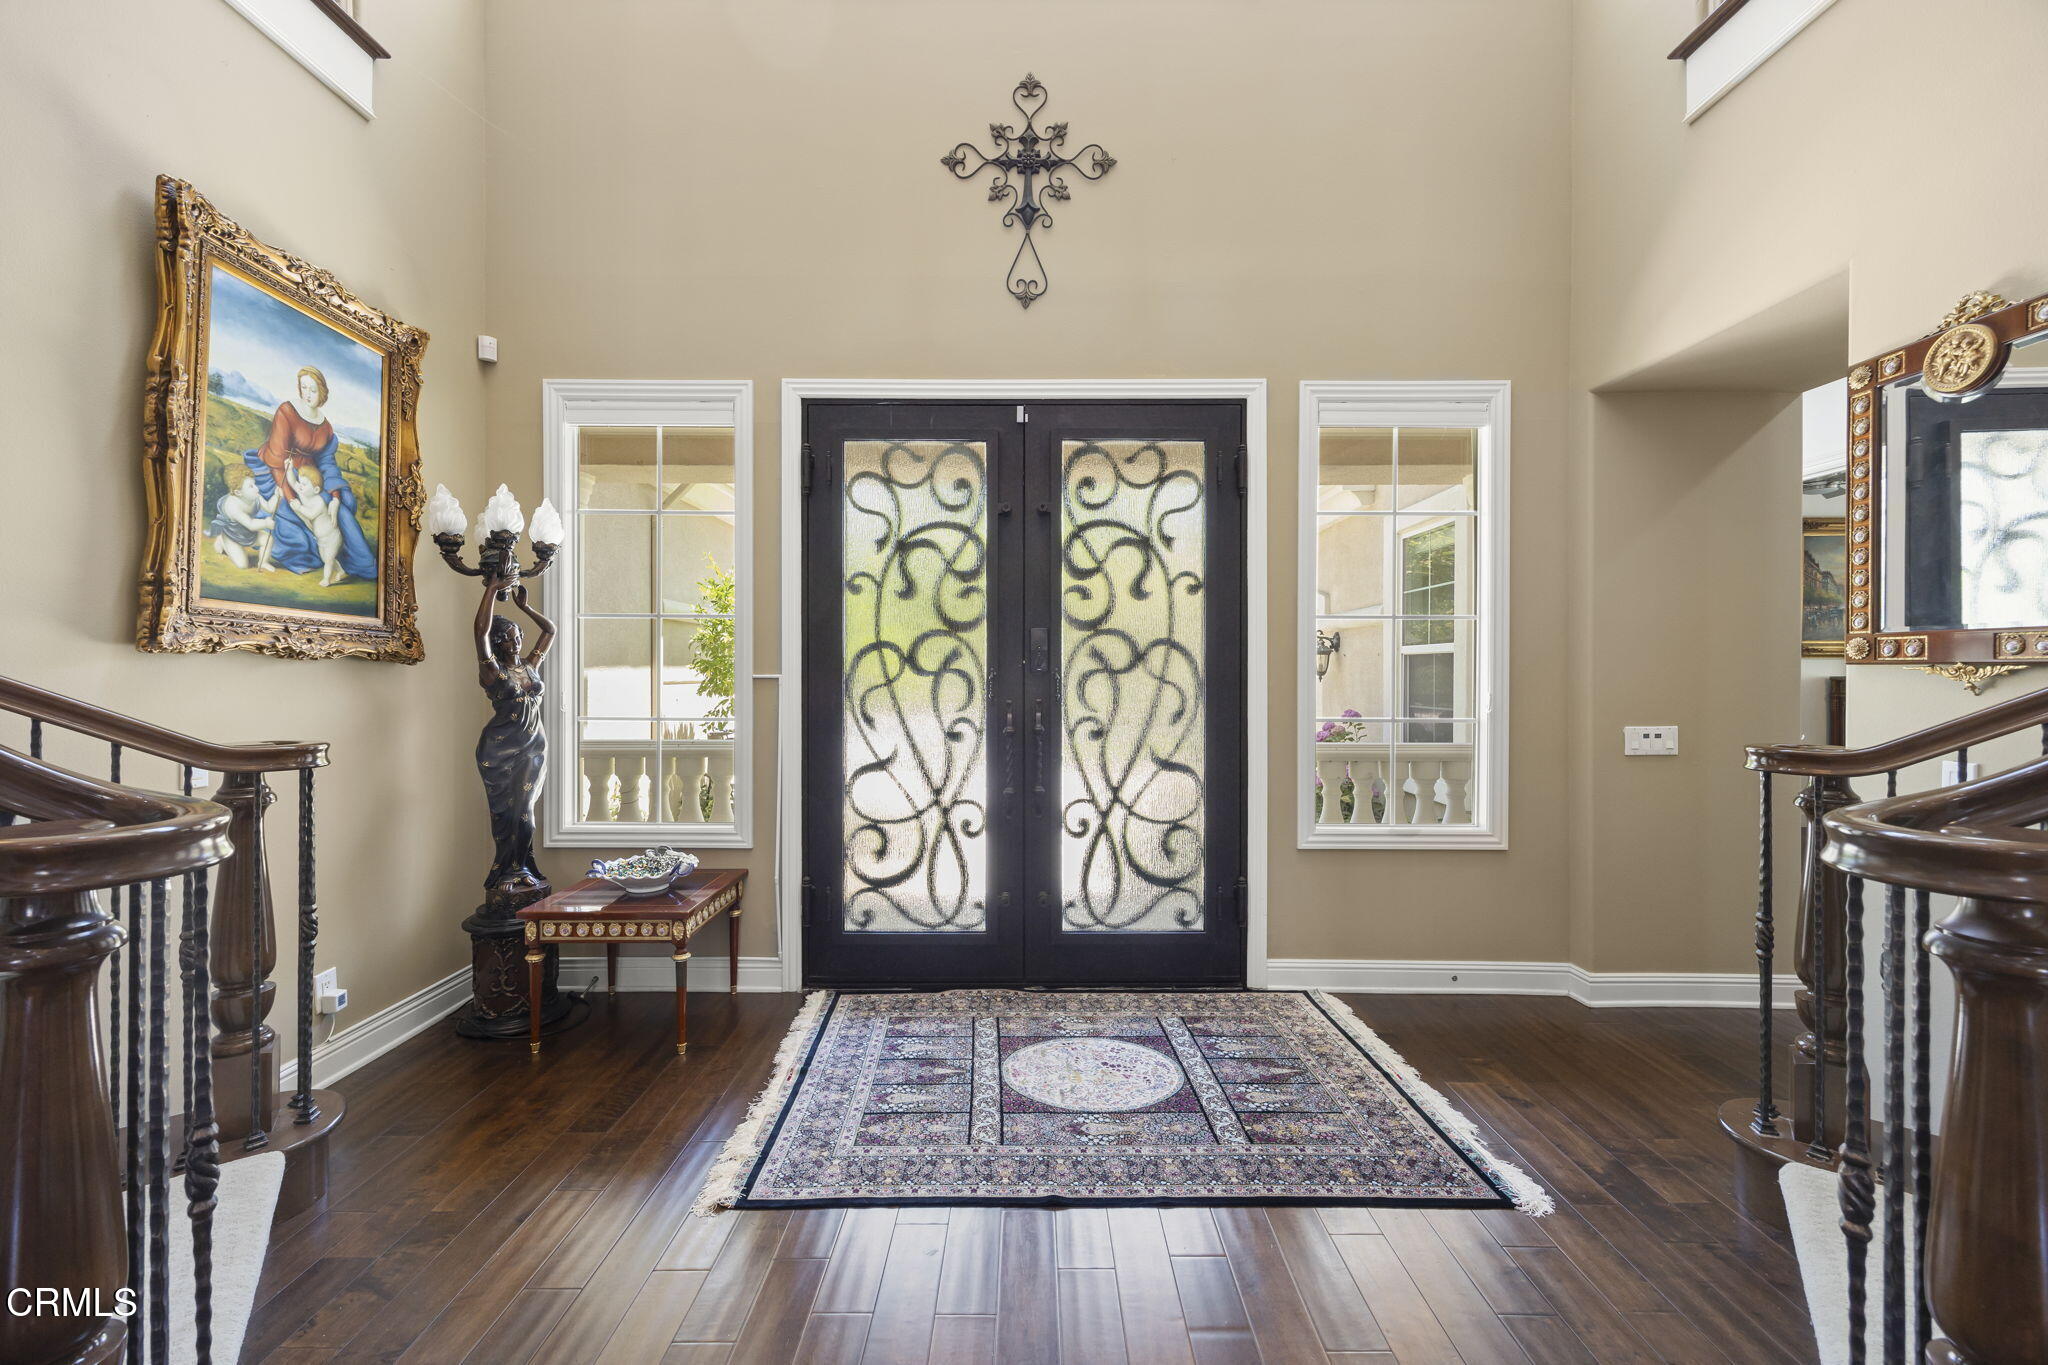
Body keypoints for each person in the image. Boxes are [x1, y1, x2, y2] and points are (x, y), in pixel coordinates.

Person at [240, 366, 378, 582]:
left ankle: (357, 562)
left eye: (313, 389)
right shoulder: (287, 411)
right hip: (282, 472)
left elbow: (327, 462)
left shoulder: (326, 427)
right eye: (303, 388)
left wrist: (335, 496)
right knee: (303, 522)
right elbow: (278, 460)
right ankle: (348, 561)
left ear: (322, 392)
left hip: (310, 477)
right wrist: (291, 498)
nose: (307, 394)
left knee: (342, 507)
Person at [473, 572, 556, 905]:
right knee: (506, 814)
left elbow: (550, 631)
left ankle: (520, 867)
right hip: (499, 750)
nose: (516, 642)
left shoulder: (530, 665)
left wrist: (526, 608)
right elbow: (479, 631)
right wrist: (492, 590)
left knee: (525, 811)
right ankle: (509, 870)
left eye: (517, 635)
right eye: (508, 639)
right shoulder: (492, 672)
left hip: (534, 748)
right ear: (498, 643)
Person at [208, 464, 281, 570]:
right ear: (238, 492)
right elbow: (250, 524)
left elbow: (269, 508)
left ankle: (263, 562)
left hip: (249, 534)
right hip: (232, 536)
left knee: (268, 539)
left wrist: (277, 496)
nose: (257, 488)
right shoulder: (232, 506)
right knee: (243, 565)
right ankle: (222, 541)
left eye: (254, 484)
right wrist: (266, 523)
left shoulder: (254, 496)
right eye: (251, 486)